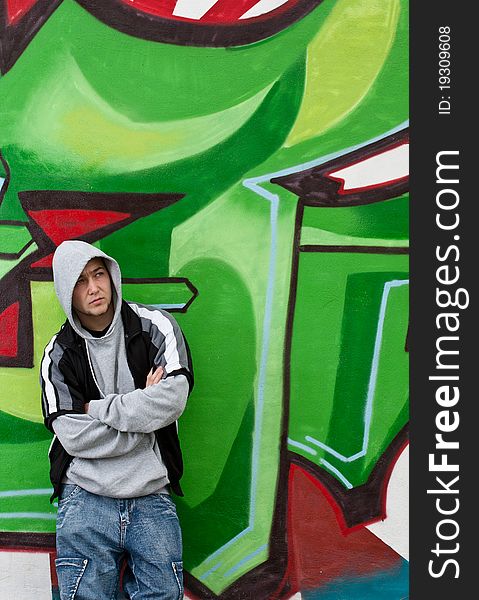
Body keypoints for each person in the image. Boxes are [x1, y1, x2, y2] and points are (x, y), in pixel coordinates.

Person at [40, 240, 193, 600]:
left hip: (150, 494)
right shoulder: (58, 354)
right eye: (80, 281)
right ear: (66, 290)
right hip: (86, 497)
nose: (94, 288)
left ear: (111, 276)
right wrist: (142, 413)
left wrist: (95, 409)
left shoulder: (156, 327)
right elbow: (74, 438)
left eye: (98, 274)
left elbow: (172, 400)